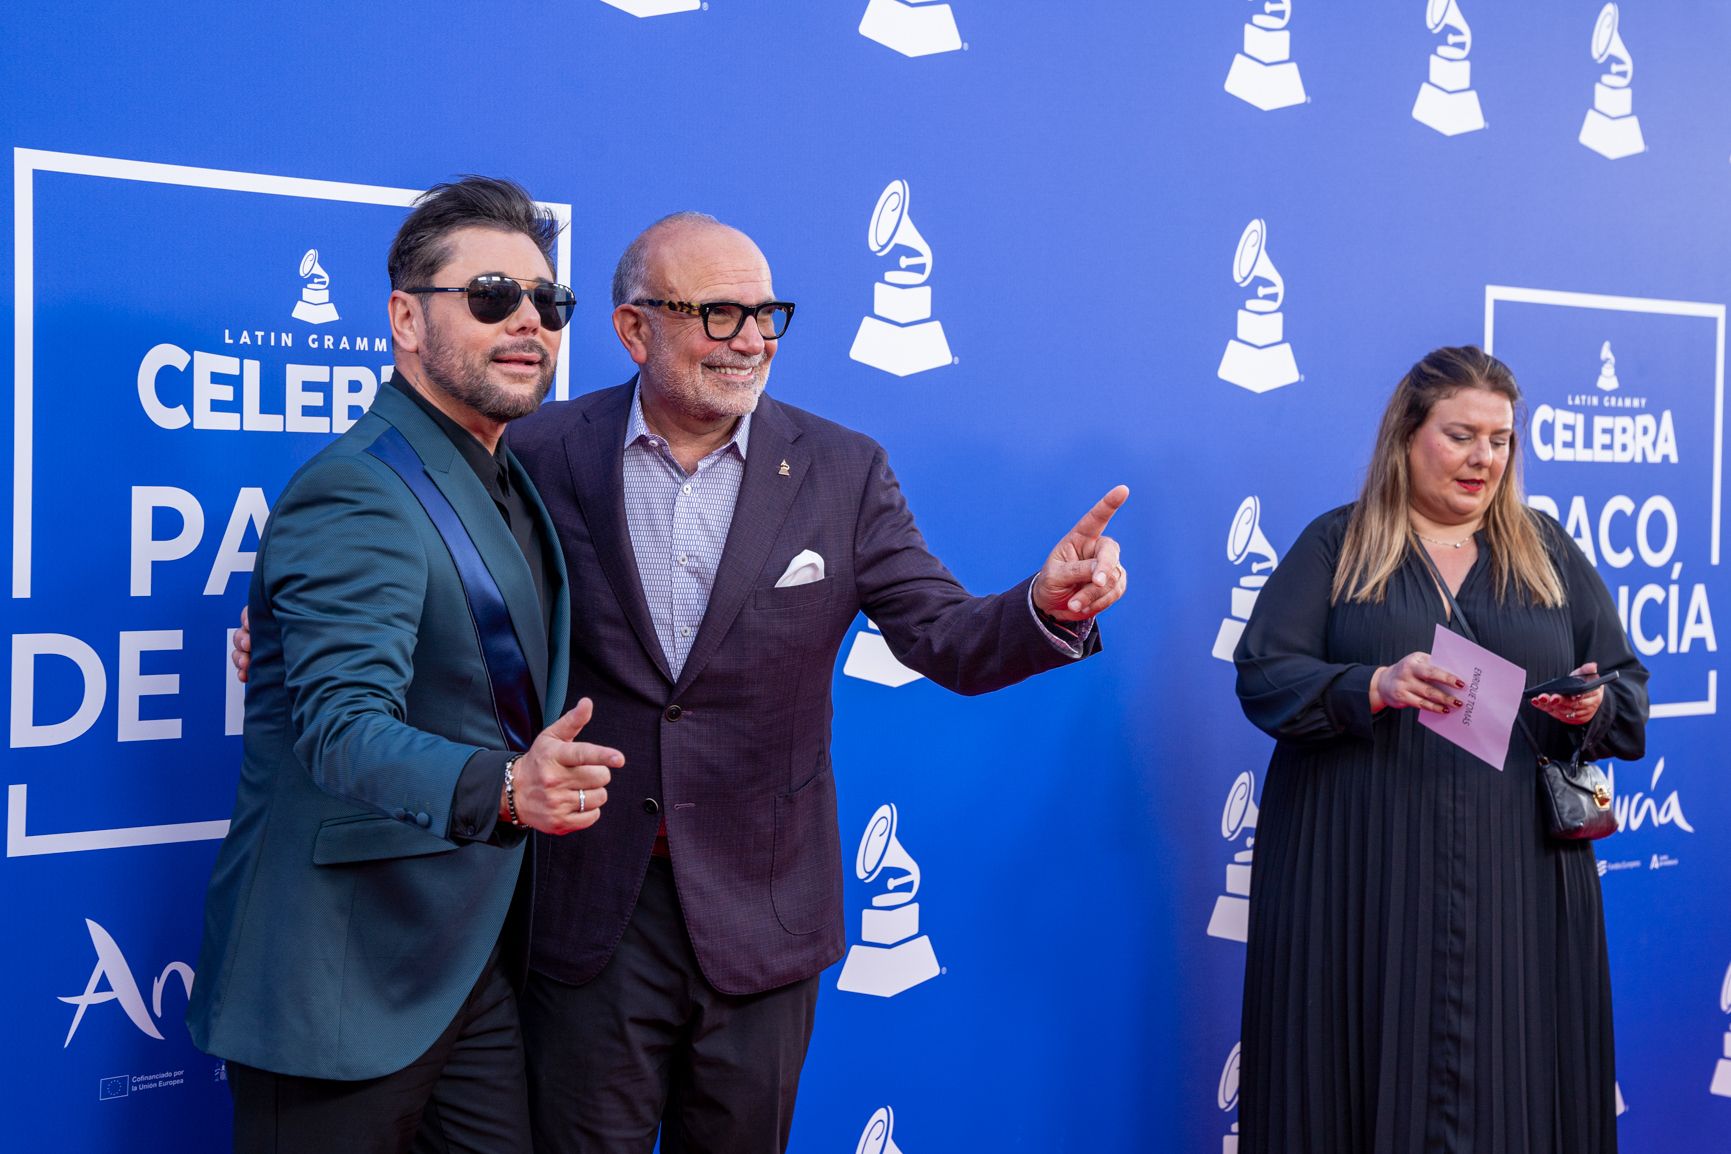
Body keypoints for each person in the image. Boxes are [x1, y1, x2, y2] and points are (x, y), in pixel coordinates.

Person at [505, 212, 1129, 1153]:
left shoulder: (841, 468)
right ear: (634, 329)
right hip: (592, 910)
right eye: (718, 314)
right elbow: (449, 592)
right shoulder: (541, 452)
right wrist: (306, 629)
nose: (752, 340)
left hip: (762, 912)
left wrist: (1048, 607)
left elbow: (944, 636)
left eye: (766, 314)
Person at [189, 176, 623, 1154]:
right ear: (404, 318)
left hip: (466, 964)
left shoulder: (504, 471)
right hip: (339, 980)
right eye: (490, 296)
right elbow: (342, 724)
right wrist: (509, 787)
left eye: (549, 303)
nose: (529, 322)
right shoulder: (359, 488)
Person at [1232, 345, 1648, 1154]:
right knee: (1341, 1085)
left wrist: (1590, 704)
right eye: (1461, 435)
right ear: (1406, 435)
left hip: (1517, 889)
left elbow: (1627, 689)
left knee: (1516, 1088)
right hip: (1354, 879)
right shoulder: (1336, 547)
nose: (1483, 458)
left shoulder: (1547, 551)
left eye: (1500, 441)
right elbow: (1263, 678)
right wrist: (1372, 686)